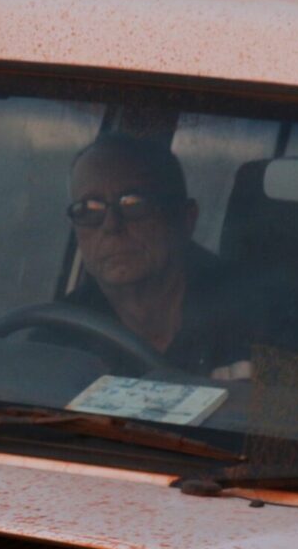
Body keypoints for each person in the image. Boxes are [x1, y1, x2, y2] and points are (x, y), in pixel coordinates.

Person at [62, 132, 252, 378]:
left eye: (133, 203)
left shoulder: (263, 320)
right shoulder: (60, 333)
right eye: (89, 209)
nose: (111, 226)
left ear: (185, 219)